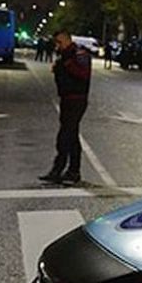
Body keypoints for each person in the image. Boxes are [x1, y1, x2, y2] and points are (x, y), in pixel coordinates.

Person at [39, 30, 92, 184]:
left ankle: (58, 170)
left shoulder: (79, 54)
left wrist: (65, 65)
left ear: (67, 40)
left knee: (65, 136)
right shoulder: (64, 55)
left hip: (77, 100)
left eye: (59, 42)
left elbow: (82, 74)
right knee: (72, 136)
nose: (57, 45)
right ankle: (73, 172)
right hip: (66, 99)